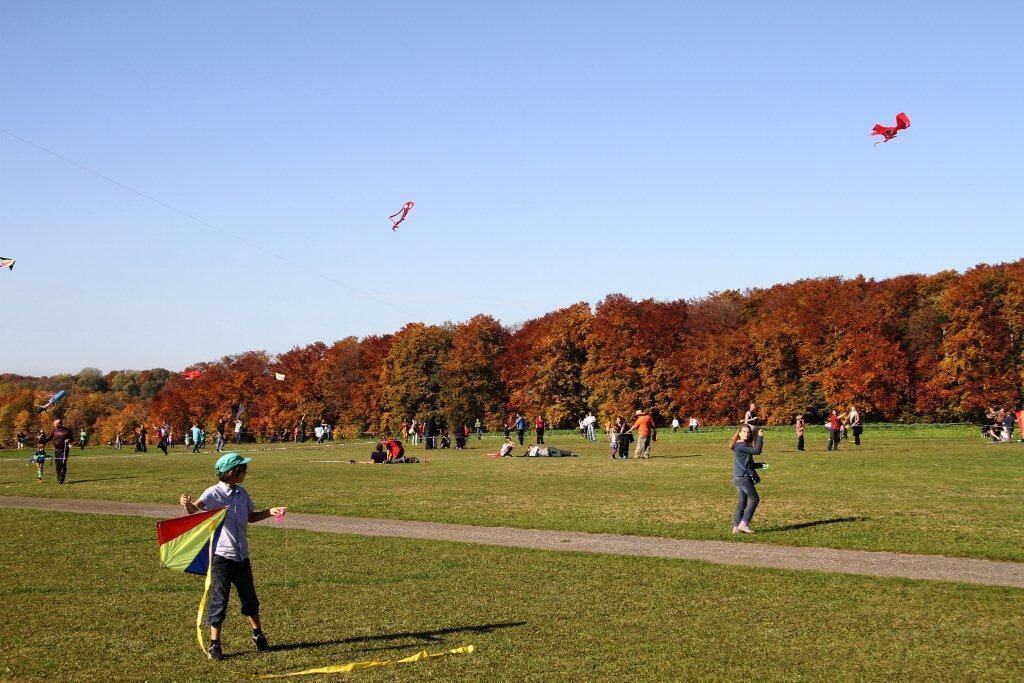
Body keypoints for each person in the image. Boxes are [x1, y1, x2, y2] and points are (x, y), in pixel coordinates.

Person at [178, 453, 286, 661]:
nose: (246, 471)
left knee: (250, 599)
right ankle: (214, 644)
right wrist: (186, 504)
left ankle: (258, 634)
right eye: (243, 468)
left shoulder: (241, 494)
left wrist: (269, 512)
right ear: (232, 472)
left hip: (241, 557)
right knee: (219, 600)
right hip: (221, 558)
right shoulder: (213, 493)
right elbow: (195, 511)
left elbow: (250, 517)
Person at [730, 424, 766, 534]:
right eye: (744, 432)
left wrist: (763, 465)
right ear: (739, 433)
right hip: (743, 478)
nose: (746, 434)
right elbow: (757, 451)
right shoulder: (740, 445)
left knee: (742, 502)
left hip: (739, 476)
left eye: (748, 432)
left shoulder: (742, 445)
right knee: (755, 499)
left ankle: (736, 527)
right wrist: (760, 437)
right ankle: (743, 523)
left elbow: (748, 464)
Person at [39, 419, 75, 484]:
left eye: (55, 424)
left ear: (60, 424)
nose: (54, 425)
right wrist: (42, 435)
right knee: (57, 466)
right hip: (56, 450)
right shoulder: (54, 431)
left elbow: (73, 440)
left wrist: (68, 441)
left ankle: (62, 478)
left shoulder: (67, 430)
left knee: (63, 464)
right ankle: (59, 479)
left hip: (64, 450)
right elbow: (47, 440)